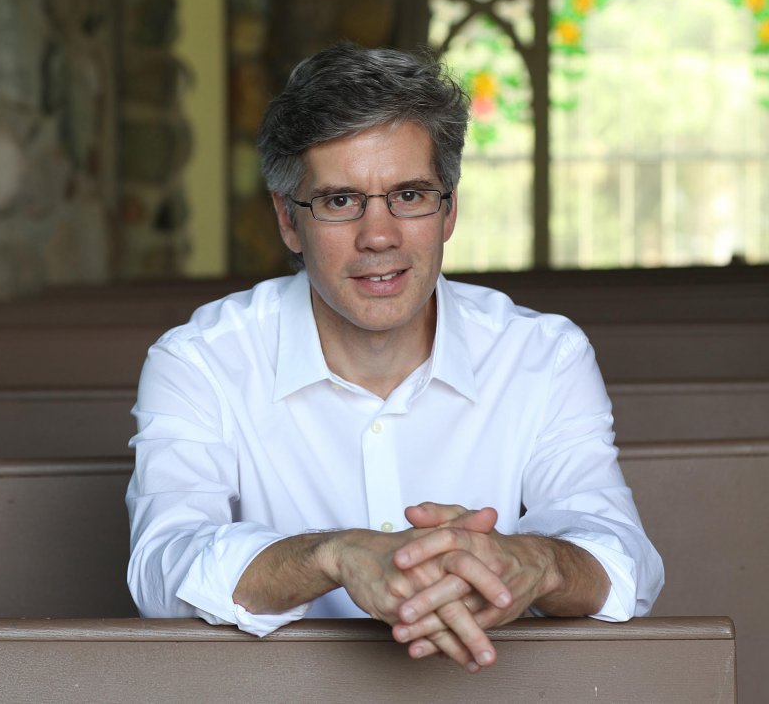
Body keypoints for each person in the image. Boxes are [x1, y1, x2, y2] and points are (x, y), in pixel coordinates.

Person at [125, 42, 664, 674]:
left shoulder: (543, 355)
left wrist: (532, 564)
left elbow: (626, 565)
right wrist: (336, 555)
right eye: (339, 201)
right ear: (288, 223)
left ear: (449, 210)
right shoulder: (199, 363)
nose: (378, 237)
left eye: (409, 196)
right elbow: (164, 572)